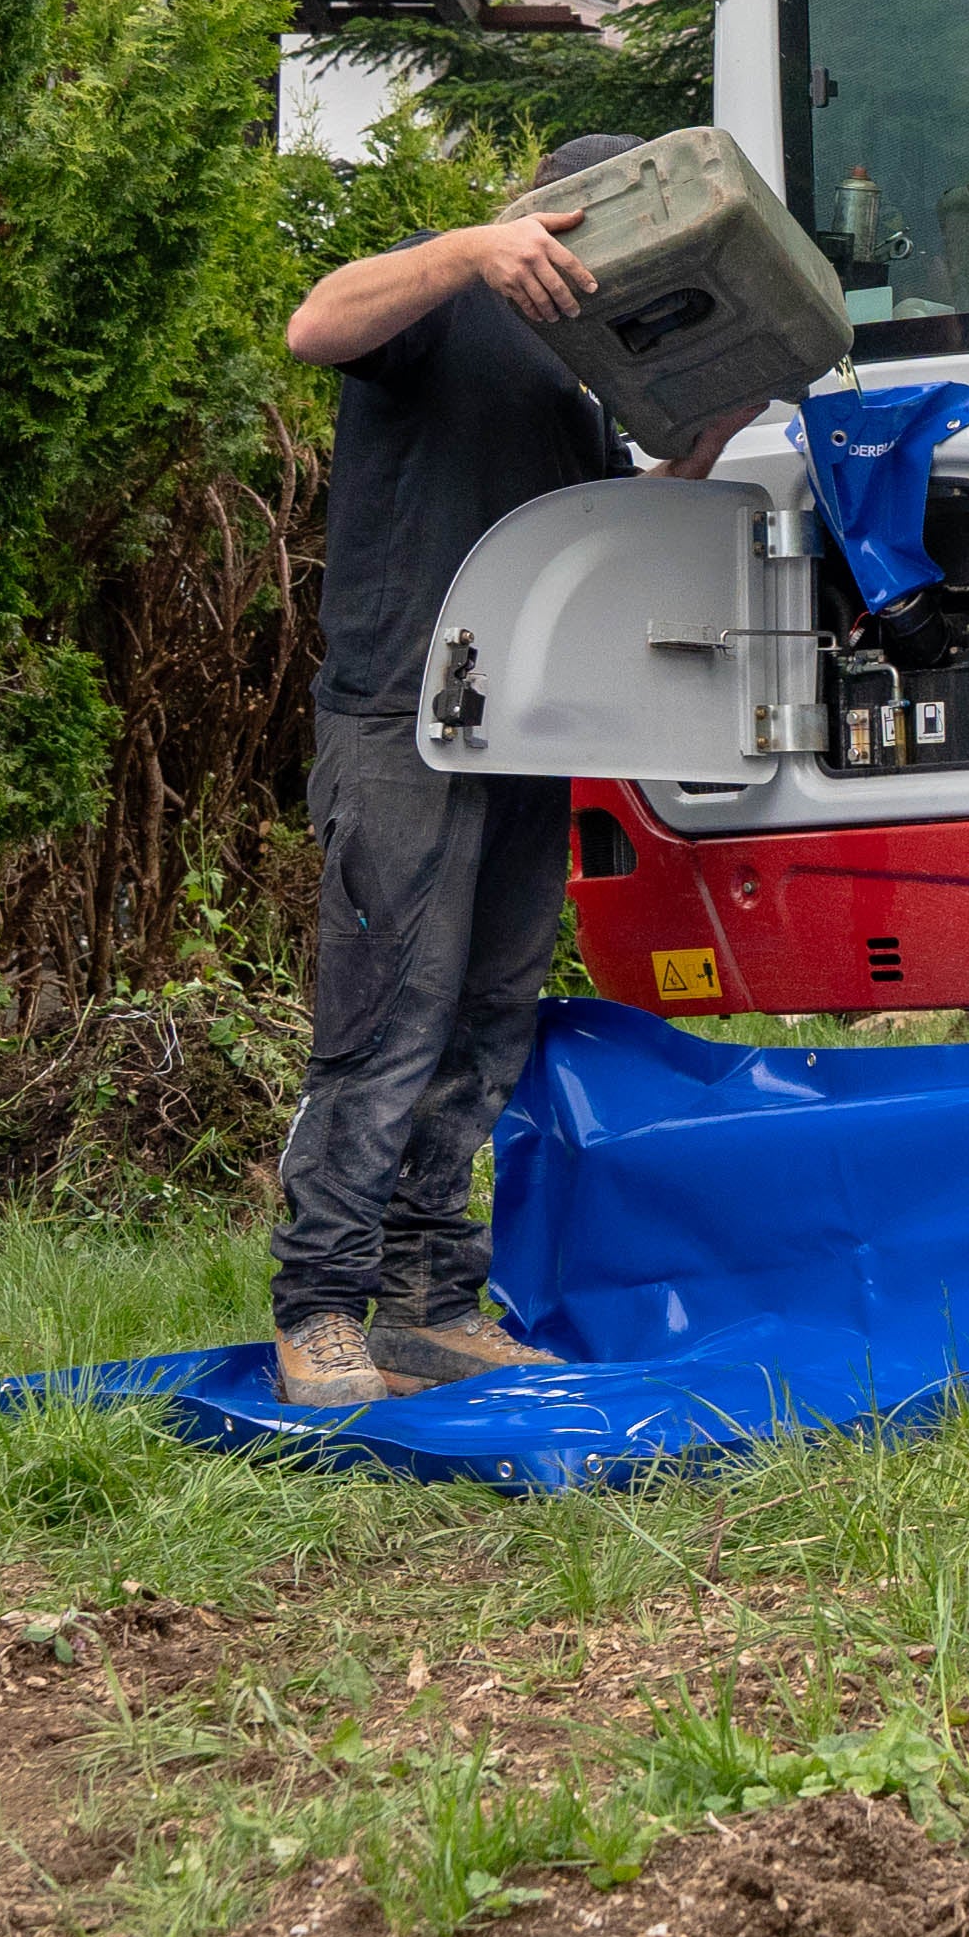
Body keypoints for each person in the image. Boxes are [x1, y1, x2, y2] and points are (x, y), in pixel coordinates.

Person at [270, 134, 749, 1408]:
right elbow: (313, 323)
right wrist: (464, 248)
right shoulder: (448, 297)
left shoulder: (582, 367)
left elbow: (600, 536)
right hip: (401, 721)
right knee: (384, 1023)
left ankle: (429, 1305)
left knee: (485, 1021)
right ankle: (318, 1307)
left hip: (524, 733)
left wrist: (694, 453)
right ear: (547, 214)